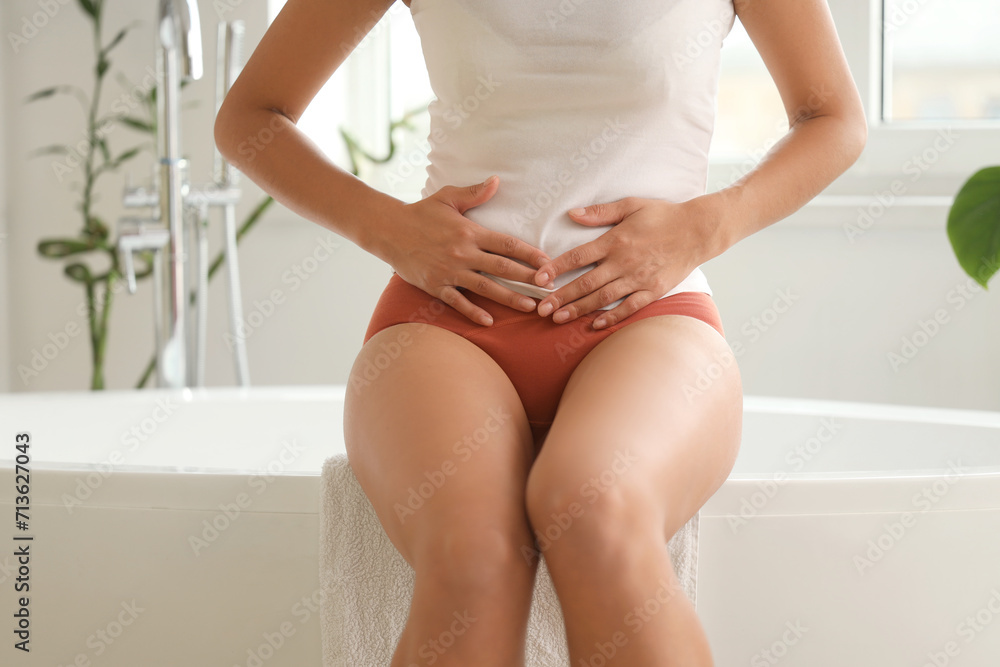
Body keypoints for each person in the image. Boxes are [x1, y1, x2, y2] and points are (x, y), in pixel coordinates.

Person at [215, 0, 866, 664]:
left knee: (595, 512)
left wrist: (706, 225)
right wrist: (388, 228)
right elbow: (251, 116)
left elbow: (834, 117)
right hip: (448, 320)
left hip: (649, 317)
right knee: (472, 554)